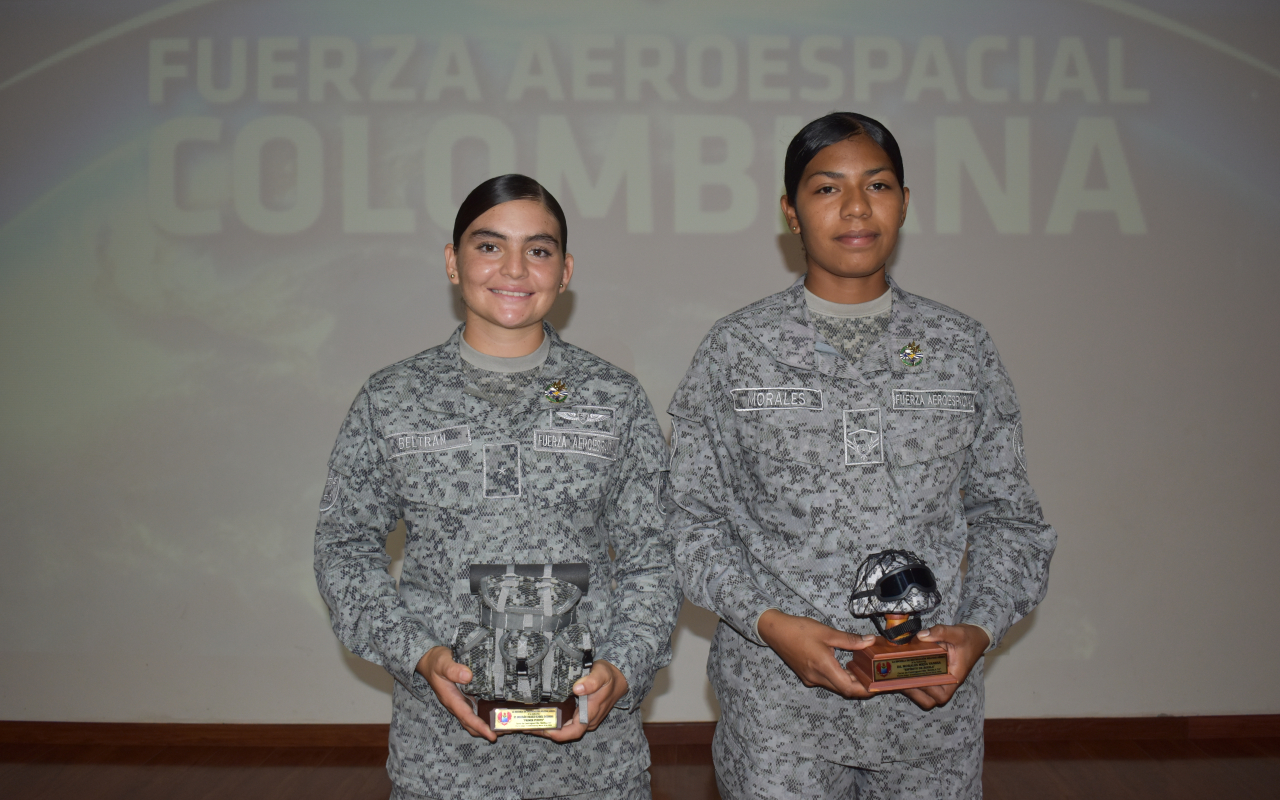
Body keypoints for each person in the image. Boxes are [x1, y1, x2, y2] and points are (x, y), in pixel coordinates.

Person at [666, 112, 1056, 799]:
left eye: (876, 185)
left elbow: (1010, 521)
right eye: (827, 188)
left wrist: (977, 630)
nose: (854, 207)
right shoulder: (738, 350)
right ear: (791, 212)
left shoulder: (959, 348)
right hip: (779, 717)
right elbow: (687, 522)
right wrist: (770, 625)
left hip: (928, 722)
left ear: (904, 202)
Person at [315, 174, 680, 800]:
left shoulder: (613, 399)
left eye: (538, 250)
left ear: (565, 272)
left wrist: (622, 667)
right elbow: (343, 548)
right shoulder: (393, 399)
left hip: (592, 757)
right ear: (452, 263)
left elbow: (657, 554)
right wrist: (419, 654)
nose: (514, 269)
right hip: (443, 757)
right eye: (489, 246)